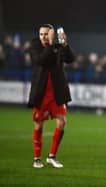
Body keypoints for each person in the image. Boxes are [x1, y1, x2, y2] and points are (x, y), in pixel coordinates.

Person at [28, 24, 75, 168]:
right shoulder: (35, 46)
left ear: (52, 35)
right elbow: (42, 60)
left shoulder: (58, 46)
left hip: (57, 92)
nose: (43, 37)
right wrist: (51, 44)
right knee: (38, 125)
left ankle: (52, 156)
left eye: (46, 34)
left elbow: (70, 59)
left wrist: (65, 44)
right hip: (41, 93)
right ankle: (37, 158)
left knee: (61, 123)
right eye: (41, 34)